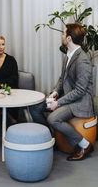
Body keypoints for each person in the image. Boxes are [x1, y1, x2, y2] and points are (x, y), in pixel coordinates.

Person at [29, 23, 94, 161]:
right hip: (68, 98)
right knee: (34, 108)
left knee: (53, 118)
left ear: (69, 38)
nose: (62, 36)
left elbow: (80, 91)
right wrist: (55, 93)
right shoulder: (68, 55)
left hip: (80, 102)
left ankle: (85, 144)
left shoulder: (82, 60)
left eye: (64, 34)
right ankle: (50, 140)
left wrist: (58, 103)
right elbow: (62, 79)